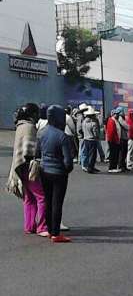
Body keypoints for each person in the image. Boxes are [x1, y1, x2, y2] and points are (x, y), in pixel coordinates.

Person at [7, 103, 49, 237]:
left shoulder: (20, 126)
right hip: (28, 166)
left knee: (28, 198)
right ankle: (42, 227)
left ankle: (29, 226)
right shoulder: (29, 127)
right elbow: (30, 150)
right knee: (41, 197)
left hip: (19, 166)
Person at [36, 105, 74, 243]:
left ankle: (49, 229)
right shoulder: (62, 136)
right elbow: (68, 161)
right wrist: (66, 170)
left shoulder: (41, 132)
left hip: (44, 171)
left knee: (47, 201)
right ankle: (56, 233)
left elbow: (37, 153)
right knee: (57, 203)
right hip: (59, 173)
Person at [81, 107, 100, 174]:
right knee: (93, 155)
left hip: (86, 139)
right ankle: (91, 168)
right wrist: (97, 137)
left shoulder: (84, 122)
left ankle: (90, 166)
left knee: (88, 154)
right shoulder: (93, 123)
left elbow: (83, 130)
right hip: (92, 140)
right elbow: (96, 133)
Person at [106, 108, 122, 173]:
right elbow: (112, 132)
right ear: (113, 114)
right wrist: (115, 140)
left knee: (116, 154)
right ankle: (112, 167)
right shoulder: (111, 120)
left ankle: (114, 167)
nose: (118, 115)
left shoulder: (115, 120)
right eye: (116, 114)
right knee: (113, 155)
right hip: (113, 141)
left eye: (118, 114)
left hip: (116, 140)